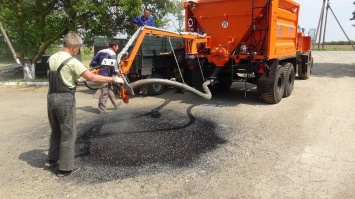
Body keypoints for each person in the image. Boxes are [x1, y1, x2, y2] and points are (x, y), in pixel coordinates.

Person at [47, 32, 124, 177]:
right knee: (68, 133)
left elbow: (62, 75)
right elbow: (93, 77)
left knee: (56, 130)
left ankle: (52, 159)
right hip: (65, 99)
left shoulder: (52, 58)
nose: (78, 50)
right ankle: (65, 168)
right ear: (74, 46)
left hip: (51, 97)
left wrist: (76, 79)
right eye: (78, 48)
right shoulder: (72, 61)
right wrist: (113, 80)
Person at [89, 41, 120, 114]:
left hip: (101, 73)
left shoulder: (101, 51)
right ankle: (102, 110)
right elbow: (114, 65)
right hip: (106, 75)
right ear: (114, 46)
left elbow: (93, 62)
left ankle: (115, 105)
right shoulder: (112, 54)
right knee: (105, 92)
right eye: (117, 47)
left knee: (110, 90)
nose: (118, 48)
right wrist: (116, 73)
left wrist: (96, 67)